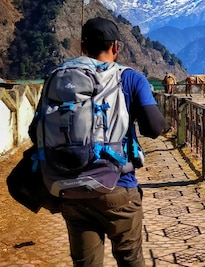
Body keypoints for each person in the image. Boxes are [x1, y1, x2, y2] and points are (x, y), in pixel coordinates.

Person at [33, 17, 168, 266]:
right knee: (130, 259)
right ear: (116, 47)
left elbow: (35, 132)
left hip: (69, 189)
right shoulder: (130, 78)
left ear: (82, 48)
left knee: (86, 263)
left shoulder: (57, 78)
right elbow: (155, 128)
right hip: (118, 187)